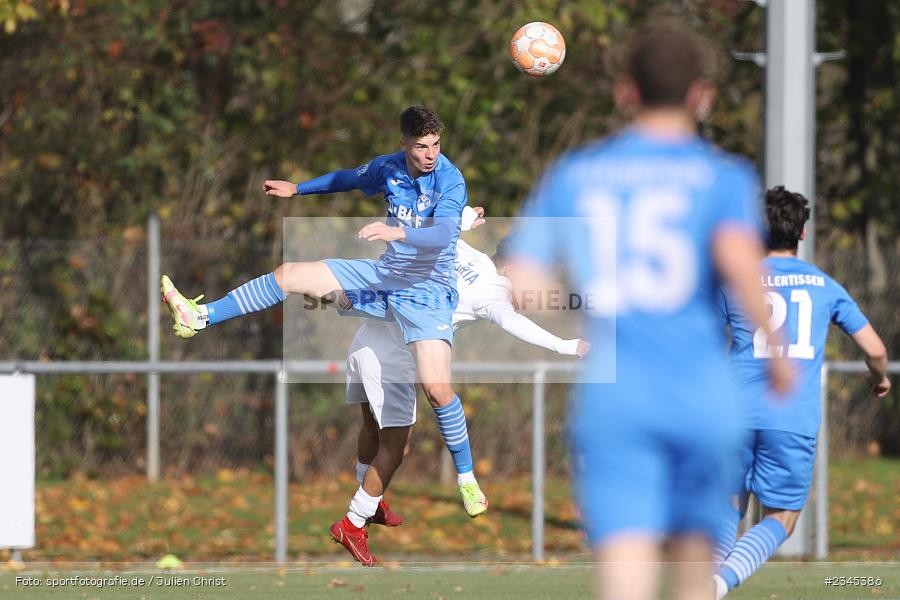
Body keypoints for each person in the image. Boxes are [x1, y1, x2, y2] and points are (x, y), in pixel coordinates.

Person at [507, 23, 794, 600]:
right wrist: (777, 350)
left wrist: (585, 302)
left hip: (617, 398)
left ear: (625, 92)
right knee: (693, 569)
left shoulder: (576, 173)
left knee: (625, 576)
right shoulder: (723, 175)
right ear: (700, 94)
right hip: (702, 396)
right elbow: (741, 267)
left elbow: (519, 279)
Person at [161, 105, 489, 520]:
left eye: (436, 145)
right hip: (384, 277)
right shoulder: (388, 168)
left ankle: (466, 478)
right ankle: (200, 317)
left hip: (427, 293)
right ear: (403, 144)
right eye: (422, 146)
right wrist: (298, 189)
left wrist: (397, 231)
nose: (431, 154)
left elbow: (444, 233)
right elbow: (348, 178)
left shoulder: (449, 178)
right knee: (290, 274)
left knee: (438, 390)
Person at [333, 223, 590, 565]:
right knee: (395, 448)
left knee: (372, 428)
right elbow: (515, 324)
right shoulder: (492, 292)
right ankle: (353, 521)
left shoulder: (465, 251)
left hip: (365, 338)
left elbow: (429, 229)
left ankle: (371, 497)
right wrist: (566, 345)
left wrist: (464, 218)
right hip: (389, 358)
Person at [711, 187, 891, 598]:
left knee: (725, 506)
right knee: (783, 516)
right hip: (790, 419)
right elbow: (876, 350)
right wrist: (879, 378)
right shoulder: (825, 286)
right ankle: (717, 585)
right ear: (803, 232)